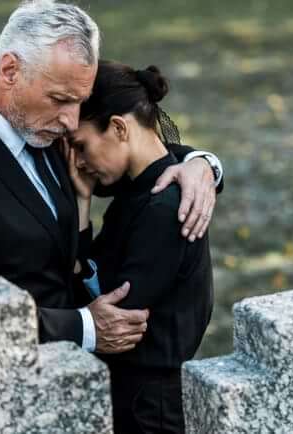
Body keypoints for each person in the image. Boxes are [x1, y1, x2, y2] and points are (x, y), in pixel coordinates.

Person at [0, 1, 223, 354]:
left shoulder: (50, 126)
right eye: (60, 99)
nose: (71, 122)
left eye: (79, 102)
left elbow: (137, 151)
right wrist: (83, 326)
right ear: (10, 71)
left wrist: (201, 164)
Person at [67, 60, 213, 434]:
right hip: (136, 398)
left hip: (152, 409)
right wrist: (82, 206)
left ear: (118, 127)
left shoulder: (165, 207)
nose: (79, 164)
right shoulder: (137, 193)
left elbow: (117, 316)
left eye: (80, 147)